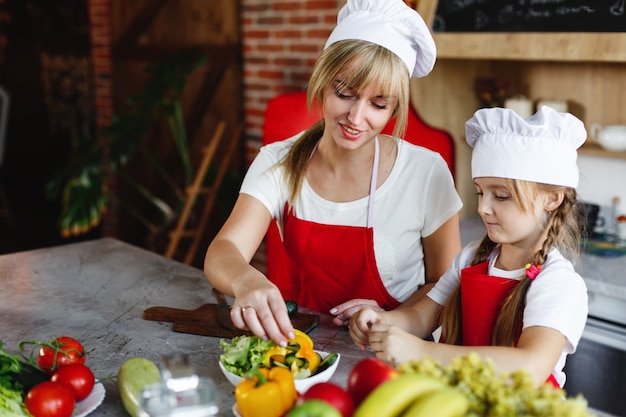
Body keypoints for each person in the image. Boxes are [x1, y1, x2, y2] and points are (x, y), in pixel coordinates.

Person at [204, 0, 462, 346]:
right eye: (344, 93)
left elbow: (445, 286)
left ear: (395, 109)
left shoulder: (427, 172)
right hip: (298, 346)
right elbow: (224, 249)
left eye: (378, 104)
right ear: (322, 83)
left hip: (394, 351)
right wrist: (246, 281)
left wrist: (393, 320)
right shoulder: (278, 161)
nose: (356, 118)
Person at [349, 106, 589, 388]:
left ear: (552, 200)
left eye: (501, 196)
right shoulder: (470, 260)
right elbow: (420, 317)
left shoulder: (557, 282)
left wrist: (424, 352)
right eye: (480, 192)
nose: (483, 207)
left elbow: (530, 367)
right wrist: (382, 323)